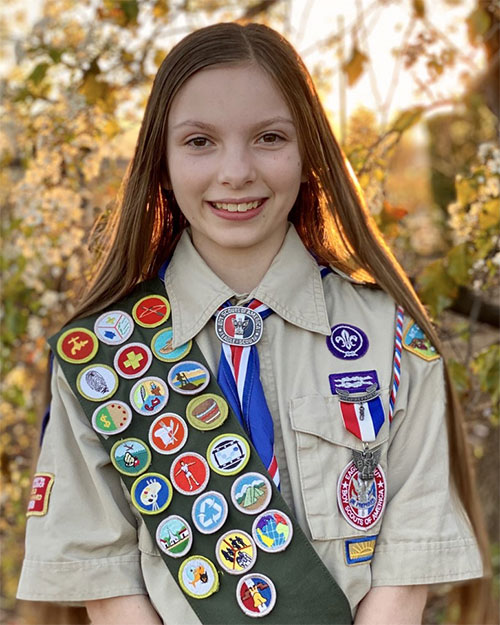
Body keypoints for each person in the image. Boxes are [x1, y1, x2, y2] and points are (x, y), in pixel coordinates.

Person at [17, 22, 489, 625]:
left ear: (308, 154)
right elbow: (105, 581)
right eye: (199, 142)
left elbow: (405, 573)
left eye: (269, 137)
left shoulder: (390, 339)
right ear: (159, 161)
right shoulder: (103, 356)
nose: (236, 171)